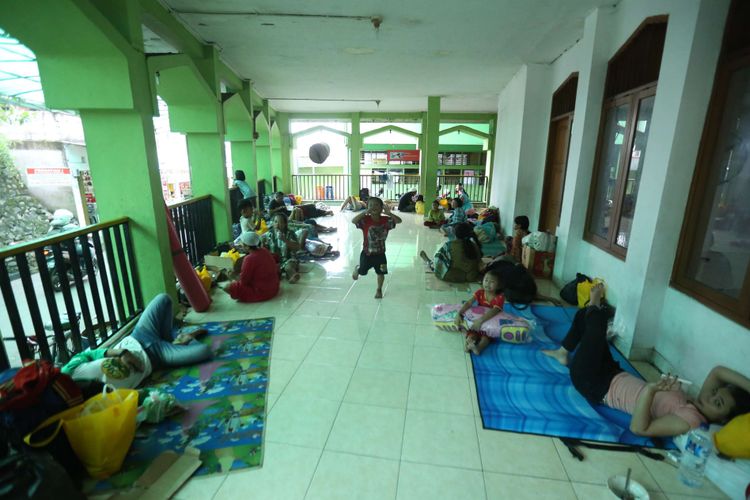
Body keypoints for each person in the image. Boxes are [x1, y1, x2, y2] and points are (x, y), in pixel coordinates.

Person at [542, 284, 750, 437]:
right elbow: (718, 372)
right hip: (611, 372)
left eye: (718, 402)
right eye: (715, 393)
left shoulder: (692, 420)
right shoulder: (698, 402)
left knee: (596, 323)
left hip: (594, 384)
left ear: (723, 419)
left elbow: (639, 428)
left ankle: (595, 300)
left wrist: (651, 389)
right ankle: (563, 351)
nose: (711, 397)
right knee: (585, 317)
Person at [61, 294, 212, 389]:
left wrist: (123, 352)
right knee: (205, 351)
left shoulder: (69, 372)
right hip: (155, 358)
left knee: (163, 299)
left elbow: (91, 354)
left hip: (138, 337)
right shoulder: (86, 405)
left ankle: (171, 341)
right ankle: (185, 340)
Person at [351, 197, 402, 299]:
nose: (374, 207)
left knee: (381, 272)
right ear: (367, 208)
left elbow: (399, 221)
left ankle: (379, 289)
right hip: (367, 253)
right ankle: (358, 269)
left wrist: (389, 213)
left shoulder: (386, 220)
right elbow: (353, 221)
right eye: (371, 205)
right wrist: (365, 212)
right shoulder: (365, 220)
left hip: (380, 254)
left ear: (381, 208)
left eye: (377, 205)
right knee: (363, 272)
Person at [453, 269, 505, 355]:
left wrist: (480, 321)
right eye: (486, 280)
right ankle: (469, 344)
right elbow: (469, 303)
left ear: (499, 285)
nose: (487, 283)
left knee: (486, 337)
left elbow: (494, 311)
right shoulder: (480, 293)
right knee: (472, 333)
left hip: (490, 322)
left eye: (492, 282)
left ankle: (478, 348)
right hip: (478, 320)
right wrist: (459, 313)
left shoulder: (500, 297)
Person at [223, 232, 279, 303]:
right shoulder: (264, 250)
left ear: (247, 246)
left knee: (227, 287)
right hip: (274, 288)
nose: (241, 246)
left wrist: (233, 276)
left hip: (262, 292)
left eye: (242, 244)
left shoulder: (249, 258)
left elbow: (244, 281)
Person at [262, 212, 301, 283]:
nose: (277, 224)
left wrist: (285, 240)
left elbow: (297, 248)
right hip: (274, 261)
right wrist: (263, 244)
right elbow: (262, 247)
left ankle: (293, 275)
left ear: (285, 224)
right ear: (272, 223)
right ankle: (279, 273)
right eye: (275, 221)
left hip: (289, 259)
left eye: (280, 222)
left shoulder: (290, 233)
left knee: (288, 267)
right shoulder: (268, 234)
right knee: (273, 271)